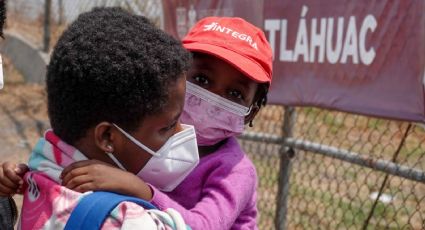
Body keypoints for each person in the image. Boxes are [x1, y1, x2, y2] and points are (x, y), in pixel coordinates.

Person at [1, 16, 273, 229]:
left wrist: (139, 188)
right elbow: (65, 163)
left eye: (235, 94)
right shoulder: (141, 136)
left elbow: (204, 225)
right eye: (201, 80)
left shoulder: (236, 172)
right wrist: (20, 176)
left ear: (252, 111)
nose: (212, 98)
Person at [1, 7, 195, 229]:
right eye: (168, 127)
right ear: (107, 137)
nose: (183, 132)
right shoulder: (128, 221)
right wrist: (147, 194)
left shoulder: (41, 166)